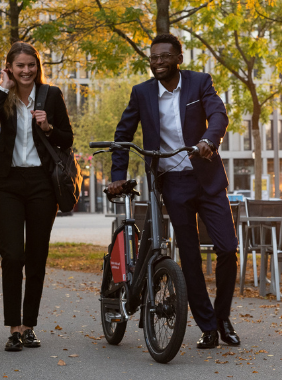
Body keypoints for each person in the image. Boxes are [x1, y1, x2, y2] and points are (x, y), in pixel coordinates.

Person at [106, 34, 240, 349]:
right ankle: (207, 327)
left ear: (178, 58)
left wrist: (210, 139)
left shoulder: (199, 83)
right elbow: (123, 135)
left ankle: (222, 317)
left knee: (227, 249)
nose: (158, 62)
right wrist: (117, 176)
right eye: (153, 57)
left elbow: (219, 114)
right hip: (173, 182)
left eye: (165, 56)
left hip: (207, 178)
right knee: (190, 257)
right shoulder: (141, 93)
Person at [0, 41, 73, 352]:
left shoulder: (52, 95)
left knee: (36, 256)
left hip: (41, 184)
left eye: (31, 65)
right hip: (8, 182)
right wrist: (3, 88)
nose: (26, 70)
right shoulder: (1, 95)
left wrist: (48, 127)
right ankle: (13, 327)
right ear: (10, 67)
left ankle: (29, 325)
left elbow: (67, 138)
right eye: (20, 66)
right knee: (12, 257)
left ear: (38, 67)